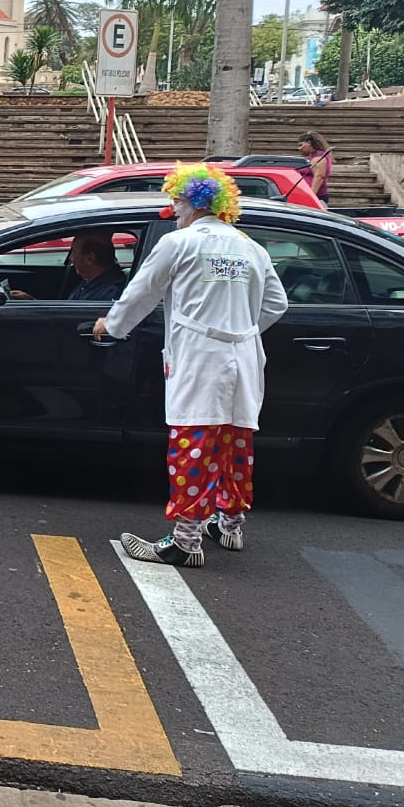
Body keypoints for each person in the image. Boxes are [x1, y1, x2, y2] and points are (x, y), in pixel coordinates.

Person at [93, 164, 288, 568]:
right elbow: (276, 305)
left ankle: (184, 541)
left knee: (193, 444)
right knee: (236, 442)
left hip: (201, 356)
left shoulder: (178, 243)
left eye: (177, 201)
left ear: (196, 201)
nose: (174, 208)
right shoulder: (252, 248)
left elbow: (140, 293)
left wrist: (110, 326)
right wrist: (243, 328)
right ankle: (230, 525)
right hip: (245, 357)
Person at [9, 232, 126, 302]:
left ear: (90, 259)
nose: (71, 259)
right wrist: (32, 303)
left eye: (74, 253)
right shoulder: (90, 283)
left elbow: (71, 322)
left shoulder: (109, 294)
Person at [297, 131, 333, 202]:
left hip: (317, 197)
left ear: (309, 143)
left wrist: (311, 197)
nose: (299, 148)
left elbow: (319, 176)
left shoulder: (318, 157)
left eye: (301, 145)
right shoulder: (313, 157)